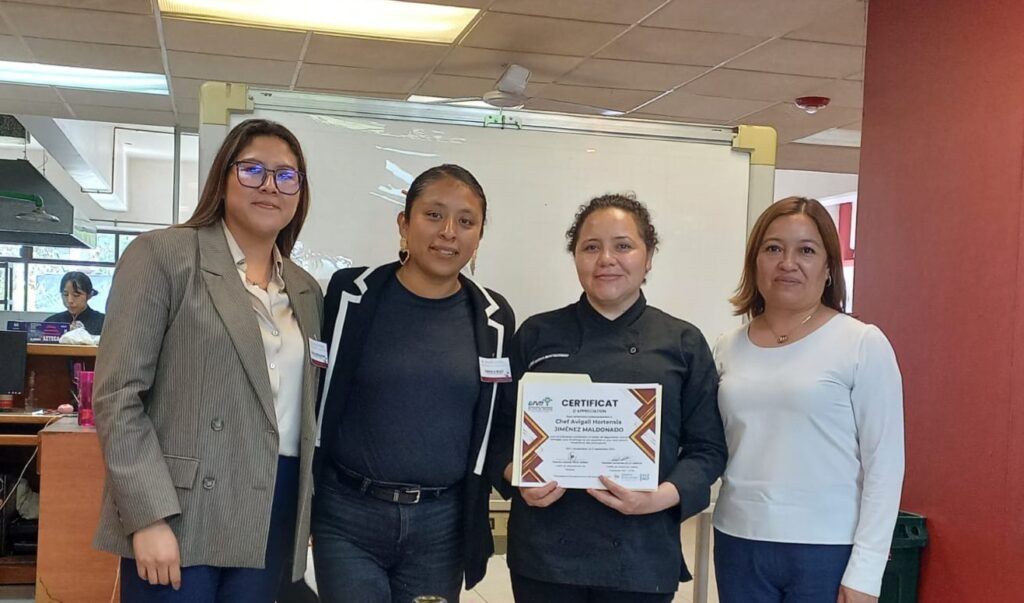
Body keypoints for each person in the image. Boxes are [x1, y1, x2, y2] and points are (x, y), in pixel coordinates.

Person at [92, 118, 324, 602]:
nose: (270, 185)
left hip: (274, 503)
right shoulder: (163, 255)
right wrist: (147, 516)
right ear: (223, 177)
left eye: (287, 176)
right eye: (253, 170)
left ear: (300, 192)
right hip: (181, 506)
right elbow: (118, 396)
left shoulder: (305, 290)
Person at [491, 193, 728, 603]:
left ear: (648, 257)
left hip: (641, 553)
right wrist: (519, 476)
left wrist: (659, 497)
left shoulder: (683, 342)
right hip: (545, 555)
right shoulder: (536, 334)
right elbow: (497, 431)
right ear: (575, 257)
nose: (606, 259)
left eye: (623, 246)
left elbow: (707, 449)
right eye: (591, 247)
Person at [312, 164, 516, 603]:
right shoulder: (350, 295)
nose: (448, 232)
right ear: (404, 224)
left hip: (441, 527)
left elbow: (499, 421)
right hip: (348, 516)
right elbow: (312, 393)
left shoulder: (494, 317)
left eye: (466, 221)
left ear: (479, 236)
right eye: (433, 215)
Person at [712, 197, 904, 603]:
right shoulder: (727, 346)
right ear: (755, 261)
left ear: (829, 267)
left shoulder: (861, 343)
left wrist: (867, 573)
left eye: (806, 251)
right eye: (773, 248)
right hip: (738, 541)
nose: (788, 263)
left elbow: (885, 466)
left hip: (827, 549)